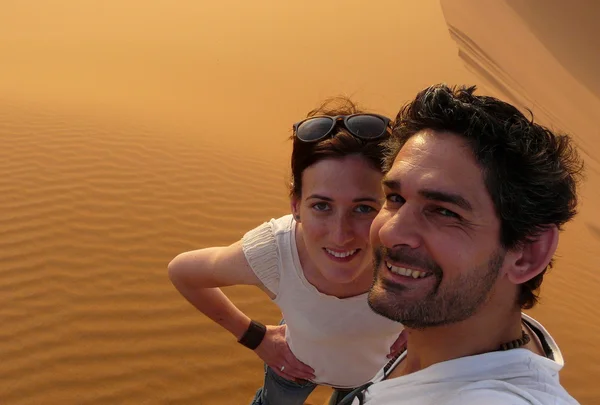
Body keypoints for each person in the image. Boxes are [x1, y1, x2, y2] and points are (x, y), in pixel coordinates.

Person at [340, 84, 583, 405]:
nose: (389, 232)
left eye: (444, 211)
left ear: (528, 253)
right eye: (395, 198)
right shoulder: (448, 328)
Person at [167, 97, 406, 405]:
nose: (341, 235)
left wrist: (421, 325)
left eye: (363, 207)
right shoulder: (275, 252)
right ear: (296, 205)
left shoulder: (409, 249)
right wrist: (254, 336)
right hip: (292, 370)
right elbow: (183, 272)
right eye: (321, 206)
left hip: (374, 379)